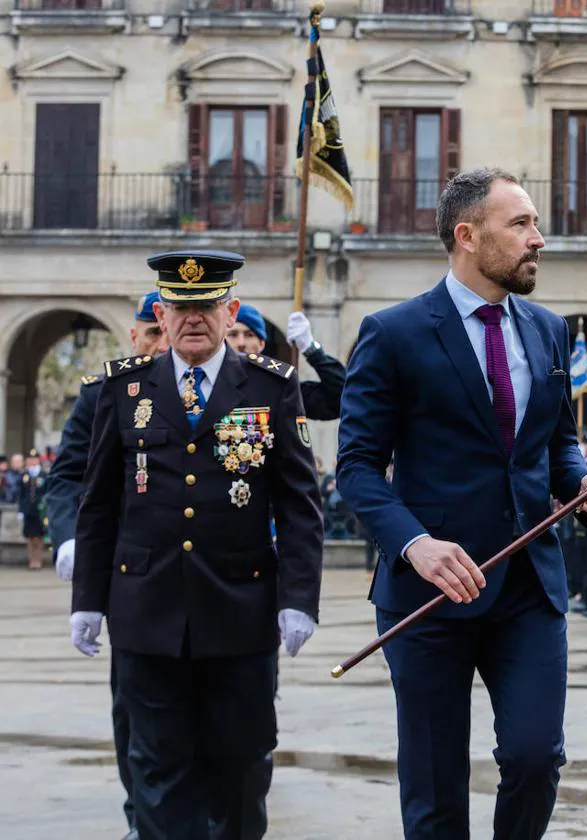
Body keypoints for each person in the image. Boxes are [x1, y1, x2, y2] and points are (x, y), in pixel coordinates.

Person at [334, 169, 587, 840]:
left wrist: (584, 489)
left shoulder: (552, 332)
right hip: (430, 594)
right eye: (520, 224)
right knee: (435, 785)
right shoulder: (394, 333)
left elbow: (559, 448)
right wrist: (416, 543)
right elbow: (356, 468)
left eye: (535, 224)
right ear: (467, 236)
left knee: (535, 757)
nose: (538, 239)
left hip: (528, 586)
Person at [68, 250, 324, 840]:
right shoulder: (124, 388)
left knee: (239, 770)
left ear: (229, 308)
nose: (192, 318)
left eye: (206, 306)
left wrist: (298, 598)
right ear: (161, 311)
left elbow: (299, 505)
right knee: (157, 771)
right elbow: (99, 502)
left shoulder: (270, 388)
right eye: (180, 307)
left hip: (240, 612)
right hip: (146, 614)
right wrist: (87, 598)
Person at [45, 288, 169, 840]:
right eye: (152, 334)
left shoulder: (223, 388)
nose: (162, 344)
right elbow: (69, 475)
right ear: (136, 334)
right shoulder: (103, 394)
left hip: (213, 574)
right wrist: (71, 538)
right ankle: (142, 819)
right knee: (135, 709)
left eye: (168, 332)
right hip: (134, 577)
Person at [228, 301, 347, 421]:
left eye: (249, 335)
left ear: (261, 343)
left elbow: (341, 398)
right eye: (233, 334)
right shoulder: (210, 382)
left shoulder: (279, 388)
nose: (241, 343)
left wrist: (311, 349)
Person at [17, 448, 47, 569]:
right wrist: (21, 510)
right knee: (29, 536)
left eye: (34, 459)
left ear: (38, 460)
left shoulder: (43, 475)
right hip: (28, 510)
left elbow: (47, 492)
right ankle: (32, 560)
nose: (32, 461)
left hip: (40, 510)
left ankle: (38, 559)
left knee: (39, 536)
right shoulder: (25, 475)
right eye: (30, 459)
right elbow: (21, 494)